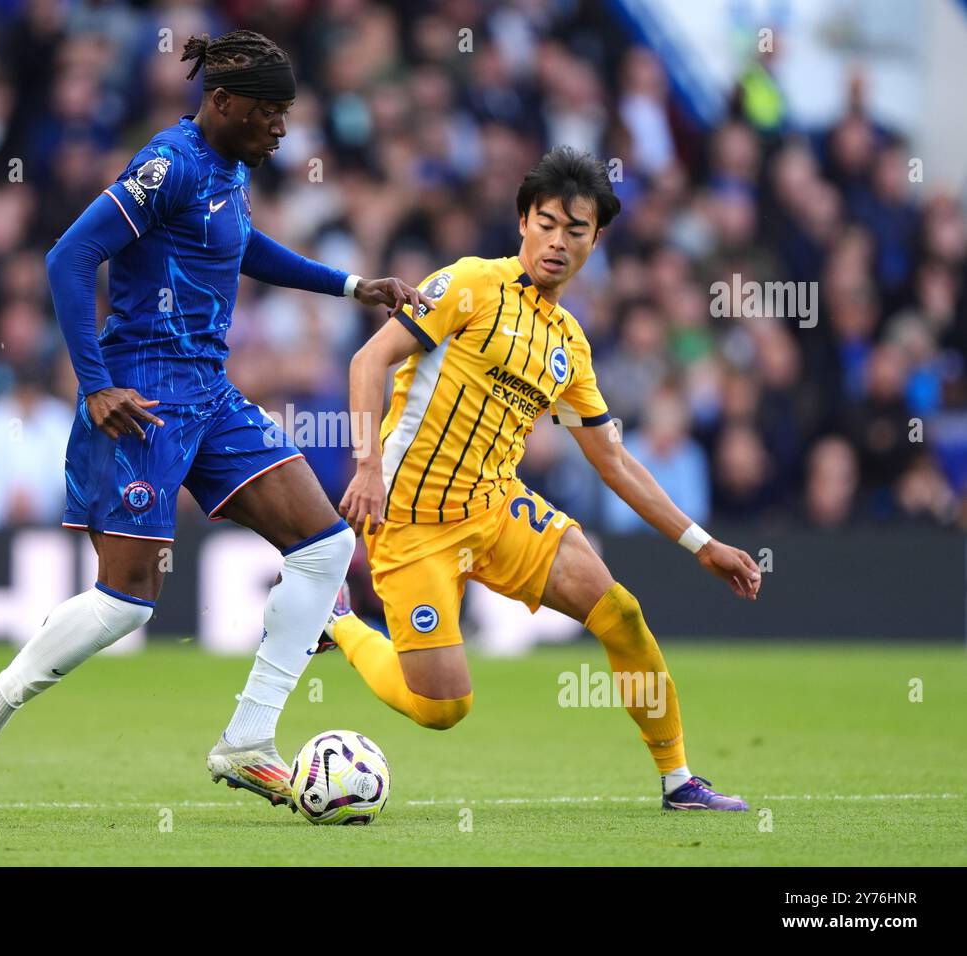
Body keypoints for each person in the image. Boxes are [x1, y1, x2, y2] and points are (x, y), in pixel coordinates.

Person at [0, 30, 433, 813]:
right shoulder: (166, 164)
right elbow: (68, 257)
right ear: (224, 102)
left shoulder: (231, 169)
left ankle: (247, 740)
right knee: (129, 599)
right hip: (140, 397)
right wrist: (95, 385)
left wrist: (349, 285)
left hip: (208, 391)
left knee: (326, 546)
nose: (281, 130)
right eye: (269, 114)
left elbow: (239, 248)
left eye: (287, 116)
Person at [325, 146, 762, 811]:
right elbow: (368, 360)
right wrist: (365, 465)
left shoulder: (570, 345)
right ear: (524, 220)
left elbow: (612, 459)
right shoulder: (469, 284)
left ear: (596, 239)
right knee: (444, 707)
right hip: (410, 519)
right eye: (548, 223)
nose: (559, 241)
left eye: (576, 229)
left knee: (620, 612)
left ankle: (680, 781)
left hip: (497, 511)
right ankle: (340, 624)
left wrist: (702, 544)